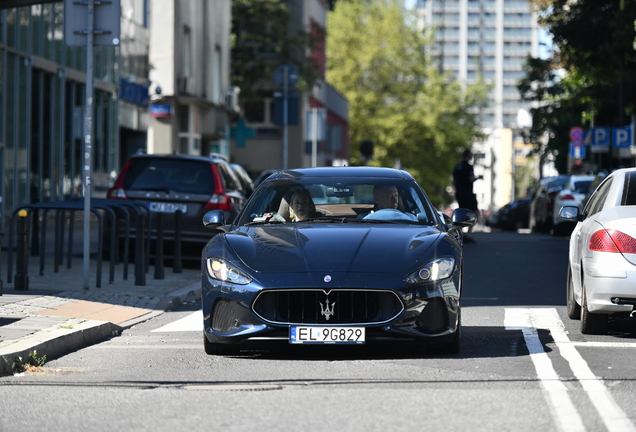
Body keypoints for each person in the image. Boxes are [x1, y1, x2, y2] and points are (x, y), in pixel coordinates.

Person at [453, 149, 481, 243]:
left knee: (461, 213)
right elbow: (471, 178)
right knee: (475, 212)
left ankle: (459, 234)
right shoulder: (468, 167)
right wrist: (479, 177)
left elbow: (454, 181)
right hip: (468, 193)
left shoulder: (457, 166)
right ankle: (468, 234)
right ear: (470, 157)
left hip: (459, 193)